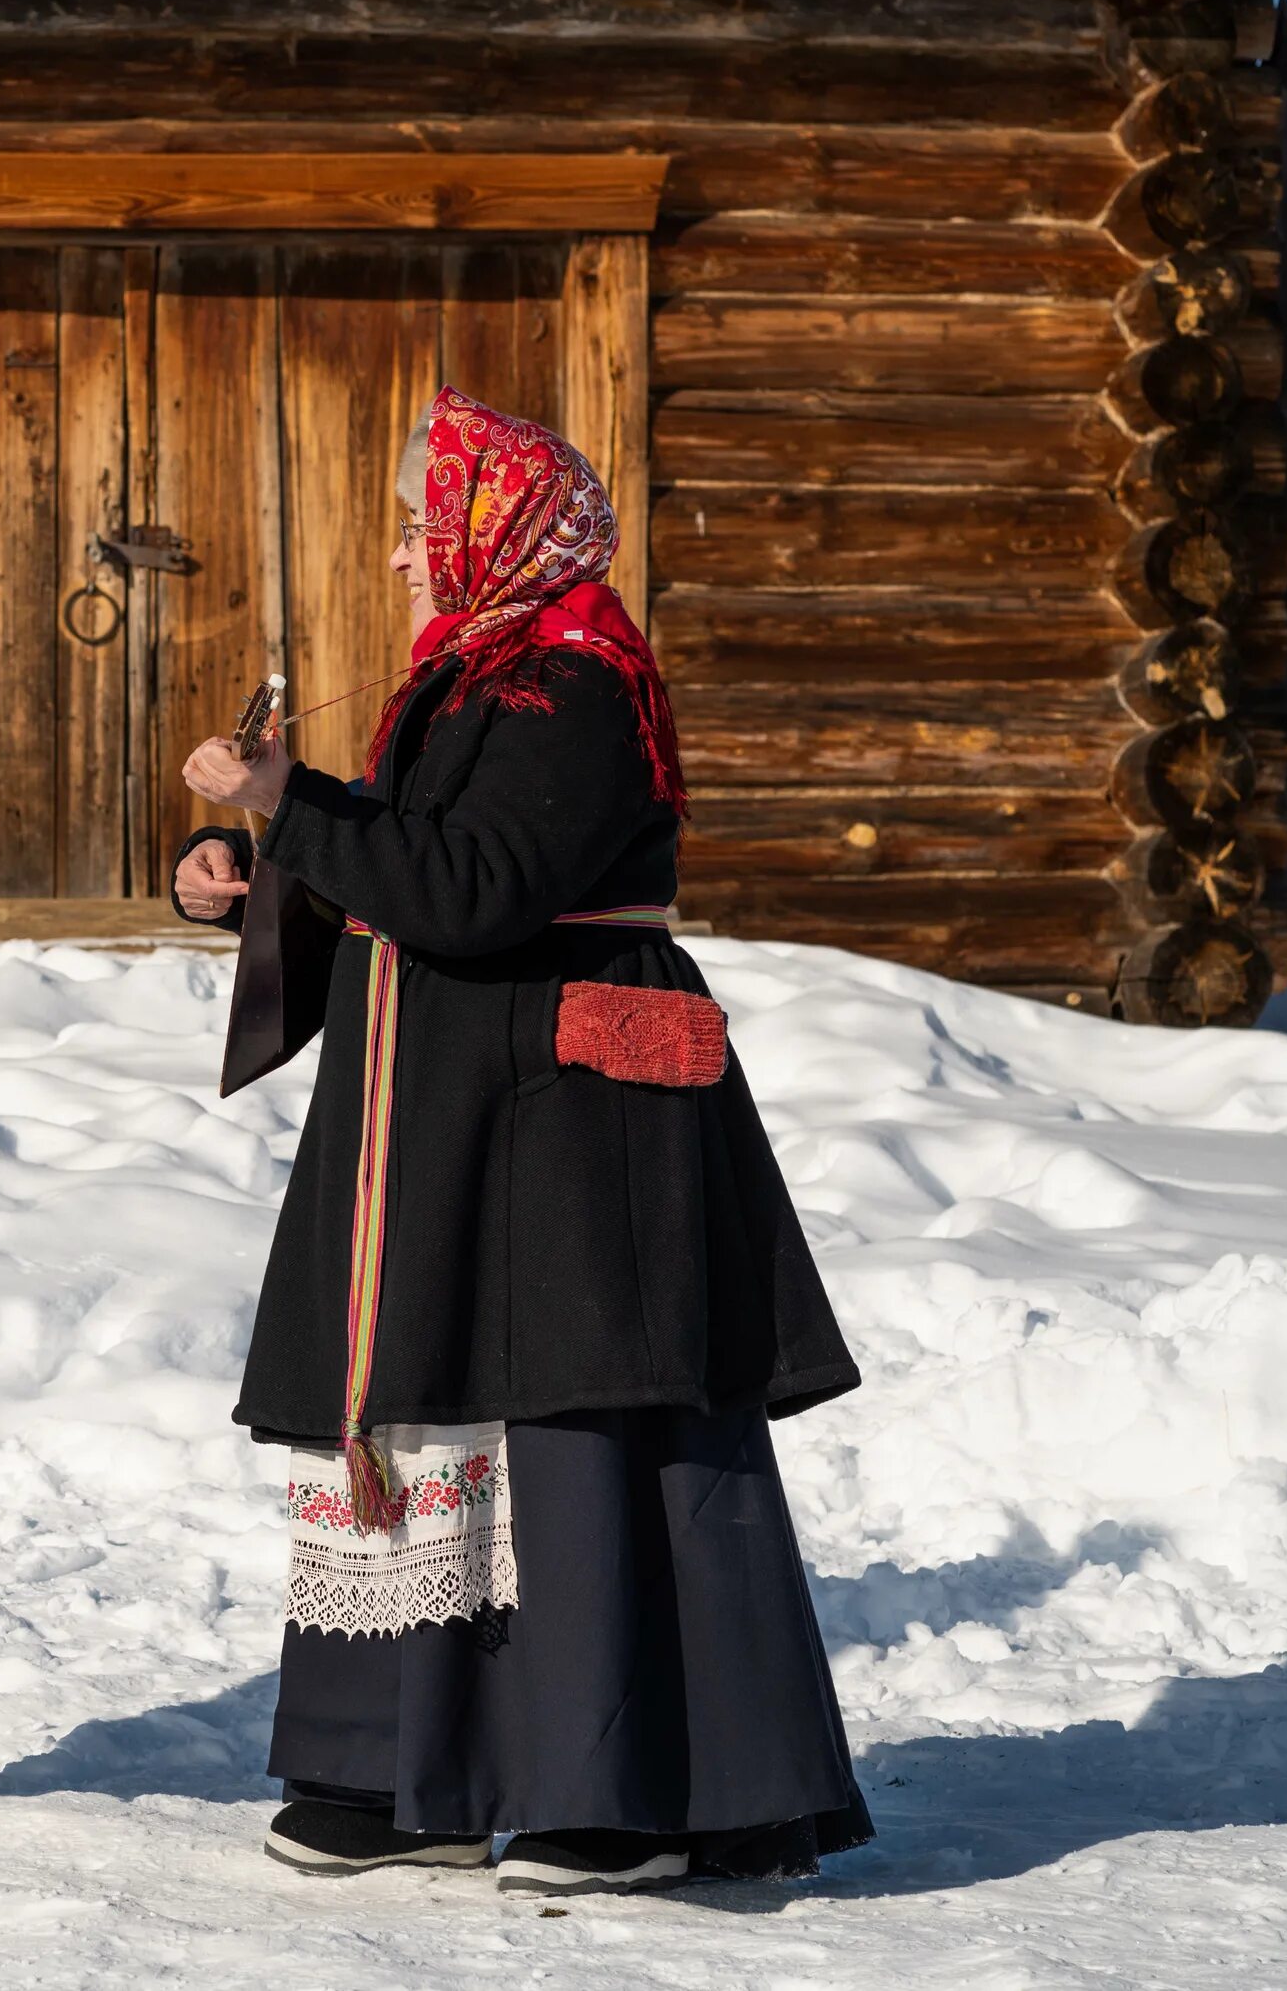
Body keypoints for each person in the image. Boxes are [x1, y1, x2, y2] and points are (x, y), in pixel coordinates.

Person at [172, 388, 870, 1896]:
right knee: (433, 1405)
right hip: (447, 1097)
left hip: (575, 1114)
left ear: (494, 531)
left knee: (580, 1422)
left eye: (424, 528)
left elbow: (481, 888)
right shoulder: (475, 681)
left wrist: (298, 804)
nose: (406, 559)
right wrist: (263, 859)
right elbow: (415, 864)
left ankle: (636, 1792)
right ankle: (418, 1771)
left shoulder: (574, 685)